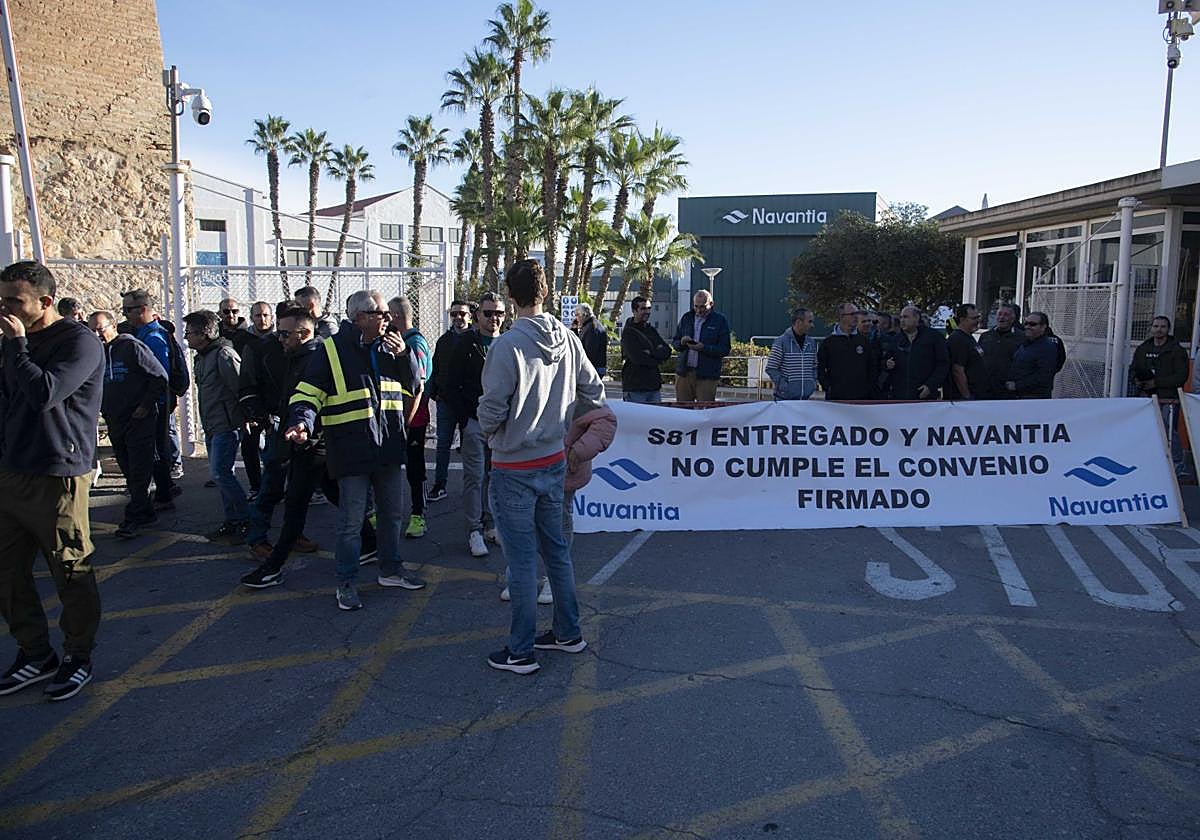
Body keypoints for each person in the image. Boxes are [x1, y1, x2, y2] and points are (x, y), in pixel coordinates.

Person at [478, 259, 604, 674]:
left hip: (514, 465)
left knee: (521, 562)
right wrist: (564, 424)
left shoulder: (506, 345)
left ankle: (520, 651)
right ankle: (568, 633)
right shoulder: (568, 338)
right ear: (545, 291)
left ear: (510, 295)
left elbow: (492, 408)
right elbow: (593, 391)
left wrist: (492, 431)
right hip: (553, 461)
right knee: (557, 552)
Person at [0, 261, 104, 701]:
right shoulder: (12, 343)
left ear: (44, 301)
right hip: (12, 470)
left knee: (70, 569)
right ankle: (35, 652)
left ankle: (78, 655)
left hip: (58, 473)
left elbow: (44, 394)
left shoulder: (78, 342)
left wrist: (17, 346)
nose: (5, 309)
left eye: (13, 301)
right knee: (7, 571)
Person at [284, 289, 425, 610]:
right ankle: (346, 581)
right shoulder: (331, 350)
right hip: (351, 449)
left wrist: (405, 355)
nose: (389, 319)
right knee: (351, 522)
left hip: (388, 447)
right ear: (361, 318)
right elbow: (308, 393)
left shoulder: (392, 347)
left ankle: (390, 570)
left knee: (392, 515)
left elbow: (414, 387)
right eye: (382, 314)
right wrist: (301, 422)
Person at [89, 310, 168, 538]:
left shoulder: (131, 347)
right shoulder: (97, 354)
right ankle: (146, 511)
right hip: (115, 418)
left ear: (113, 326)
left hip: (139, 419)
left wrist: (144, 406)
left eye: (100, 329)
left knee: (139, 468)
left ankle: (134, 516)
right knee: (126, 466)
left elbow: (159, 377)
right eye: (92, 331)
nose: (97, 335)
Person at [183, 309, 251, 542]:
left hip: (226, 424)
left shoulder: (223, 354)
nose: (186, 336)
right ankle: (232, 521)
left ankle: (245, 520)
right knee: (222, 475)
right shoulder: (202, 357)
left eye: (190, 332)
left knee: (221, 474)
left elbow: (240, 387)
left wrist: (246, 417)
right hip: (212, 424)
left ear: (204, 334)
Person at [446, 291, 505, 558]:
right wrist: (465, 418)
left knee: (496, 477)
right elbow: (450, 384)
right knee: (475, 476)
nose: (494, 318)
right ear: (478, 315)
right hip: (474, 422)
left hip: (502, 425)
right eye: (488, 313)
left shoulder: (508, 343)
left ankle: (491, 524)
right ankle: (474, 530)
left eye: (499, 313)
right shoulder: (465, 344)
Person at [120, 289, 179, 508]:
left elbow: (159, 377)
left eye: (128, 310)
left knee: (156, 450)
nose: (125, 315)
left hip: (154, 404)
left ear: (143, 309)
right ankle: (165, 490)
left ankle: (164, 494)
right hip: (151, 402)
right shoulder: (144, 334)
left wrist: (147, 403)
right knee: (156, 449)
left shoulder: (153, 338)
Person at [388, 296, 432, 539]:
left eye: (388, 314)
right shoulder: (397, 341)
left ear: (395, 316)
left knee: (415, 466)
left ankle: (418, 514)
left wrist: (406, 421)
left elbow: (418, 388)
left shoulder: (414, 343)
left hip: (413, 419)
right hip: (398, 418)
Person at [1132, 315, 1191, 479]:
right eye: (1156, 326)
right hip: (1145, 399)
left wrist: (1156, 382)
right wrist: (1137, 381)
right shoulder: (1143, 348)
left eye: (1163, 326)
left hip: (1168, 399)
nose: (1159, 329)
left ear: (1168, 329)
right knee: (1146, 431)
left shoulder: (1177, 351)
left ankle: (1178, 463)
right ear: (1151, 328)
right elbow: (1133, 369)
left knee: (1169, 431)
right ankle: (1150, 461)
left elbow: (1181, 377)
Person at [427, 300, 471, 502]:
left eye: (462, 313)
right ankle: (440, 485)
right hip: (445, 402)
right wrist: (434, 393)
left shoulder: (475, 340)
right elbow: (435, 368)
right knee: (443, 444)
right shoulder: (443, 341)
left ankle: (472, 488)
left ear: (470, 316)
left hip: (469, 404)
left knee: (471, 448)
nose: (458, 317)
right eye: (454, 314)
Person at [672, 289, 731, 403]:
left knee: (704, 409)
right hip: (684, 373)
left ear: (711, 304)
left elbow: (724, 349)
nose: (699, 310)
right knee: (682, 409)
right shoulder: (687, 318)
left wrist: (704, 348)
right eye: (696, 306)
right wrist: (682, 343)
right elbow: (675, 342)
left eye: (703, 307)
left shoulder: (719, 321)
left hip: (707, 375)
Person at [883, 305, 949, 401]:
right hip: (899, 397)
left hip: (925, 396)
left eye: (906, 317)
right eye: (901, 317)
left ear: (916, 318)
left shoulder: (934, 337)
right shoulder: (896, 339)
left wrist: (930, 386)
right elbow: (885, 360)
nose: (902, 320)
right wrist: (887, 364)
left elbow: (943, 364)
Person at [817, 302, 876, 400]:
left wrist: (868, 389)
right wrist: (828, 387)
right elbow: (820, 368)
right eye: (852, 314)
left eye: (857, 313)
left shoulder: (864, 341)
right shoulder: (828, 343)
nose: (856, 317)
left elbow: (872, 368)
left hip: (861, 398)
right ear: (841, 316)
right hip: (836, 398)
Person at [620, 295, 672, 403]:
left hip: (653, 386)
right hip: (635, 387)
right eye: (643, 309)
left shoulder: (651, 330)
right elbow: (637, 358)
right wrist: (657, 355)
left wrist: (651, 352)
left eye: (649, 308)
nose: (647, 312)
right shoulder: (628, 333)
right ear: (634, 311)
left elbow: (667, 351)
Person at [765, 307, 818, 400]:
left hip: (805, 399)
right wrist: (785, 387)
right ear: (798, 322)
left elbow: (814, 366)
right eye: (809, 321)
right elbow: (771, 368)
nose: (812, 325)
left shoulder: (811, 343)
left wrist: (812, 384)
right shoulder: (781, 342)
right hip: (784, 400)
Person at [1005, 311, 1060, 398]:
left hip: (1034, 398)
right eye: (1026, 323)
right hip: (1019, 395)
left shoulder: (1047, 347)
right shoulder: (1026, 343)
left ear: (1043, 327)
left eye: (1032, 324)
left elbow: (1044, 375)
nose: (1027, 327)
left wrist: (1017, 385)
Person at [944, 303, 988, 400]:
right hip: (963, 398)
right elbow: (957, 370)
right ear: (962, 320)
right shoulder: (958, 339)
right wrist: (967, 396)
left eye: (978, 317)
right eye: (974, 318)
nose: (977, 321)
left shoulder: (968, 337)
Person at [979, 303, 1023, 399]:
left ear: (1013, 319)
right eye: (999, 314)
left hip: (1008, 391)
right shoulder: (985, 336)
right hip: (986, 389)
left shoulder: (1022, 338)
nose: (1001, 317)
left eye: (1006, 315)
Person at [576, 302, 608, 378]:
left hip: (594, 368)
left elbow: (590, 351)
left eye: (577, 315)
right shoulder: (593, 325)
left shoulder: (591, 328)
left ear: (584, 315)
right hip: (597, 366)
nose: (576, 318)